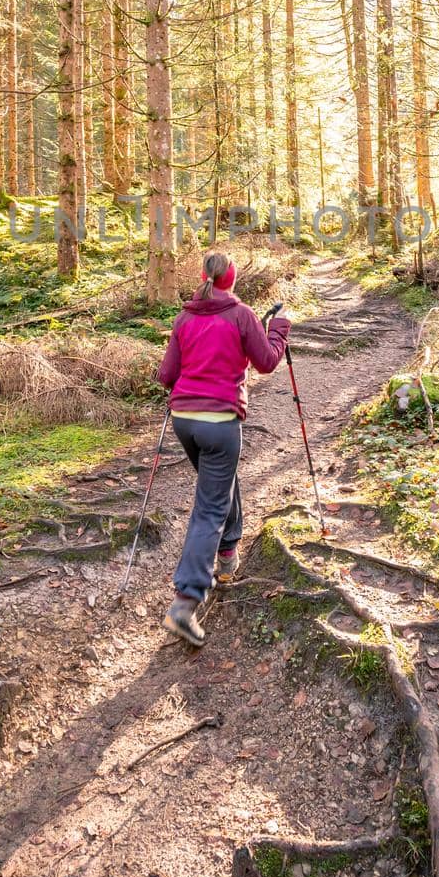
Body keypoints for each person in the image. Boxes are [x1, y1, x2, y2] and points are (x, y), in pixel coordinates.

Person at [156, 250, 291, 645]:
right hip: (219, 425)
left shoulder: (184, 317)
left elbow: (167, 374)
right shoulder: (240, 314)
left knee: (220, 485)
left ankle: (228, 555)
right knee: (210, 506)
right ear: (231, 280)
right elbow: (266, 362)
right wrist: (279, 329)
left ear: (204, 278)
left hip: (185, 422)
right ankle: (184, 602)